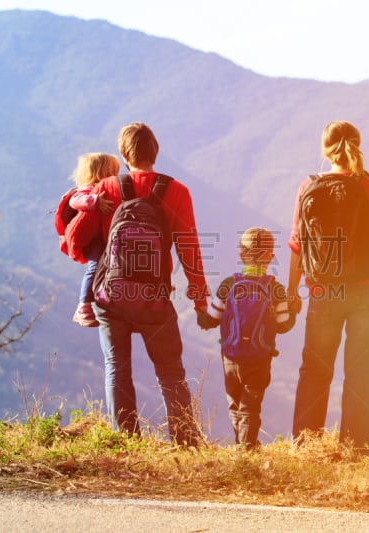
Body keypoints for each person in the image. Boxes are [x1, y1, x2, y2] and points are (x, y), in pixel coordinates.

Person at [67, 122, 209, 446]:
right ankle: (185, 442)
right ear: (155, 152)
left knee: (117, 368)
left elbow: (75, 238)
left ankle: (128, 444)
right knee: (171, 372)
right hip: (154, 299)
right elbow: (190, 250)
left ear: (123, 153)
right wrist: (200, 300)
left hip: (111, 298)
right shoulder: (177, 192)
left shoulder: (105, 188)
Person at [287, 120, 369, 454]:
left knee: (315, 370)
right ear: (358, 145)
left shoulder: (309, 186)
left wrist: (292, 290)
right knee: (360, 372)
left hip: (324, 291)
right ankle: (356, 451)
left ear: (325, 150)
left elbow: (297, 243)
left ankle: (306, 447)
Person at [197, 227, 295, 448]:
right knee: (251, 405)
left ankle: (241, 443)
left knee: (235, 403)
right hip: (260, 358)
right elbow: (283, 326)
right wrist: (294, 312)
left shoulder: (228, 284)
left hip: (231, 358)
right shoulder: (275, 288)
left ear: (241, 255)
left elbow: (210, 320)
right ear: (270, 256)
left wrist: (199, 313)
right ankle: (247, 447)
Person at [67, 152, 118, 327]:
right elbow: (75, 201)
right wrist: (95, 201)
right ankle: (83, 306)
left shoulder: (107, 189)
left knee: (106, 267)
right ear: (99, 172)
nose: (114, 175)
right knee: (95, 266)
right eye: (111, 171)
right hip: (93, 240)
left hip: (103, 237)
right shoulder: (88, 190)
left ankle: (99, 298)